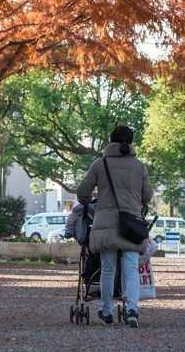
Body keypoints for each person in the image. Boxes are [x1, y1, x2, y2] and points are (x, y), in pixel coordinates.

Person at [76, 125, 153, 329]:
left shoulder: (99, 164)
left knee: (107, 269)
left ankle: (107, 312)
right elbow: (147, 196)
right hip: (131, 226)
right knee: (130, 270)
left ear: (111, 141)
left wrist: (89, 201)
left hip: (106, 224)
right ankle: (132, 310)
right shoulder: (139, 166)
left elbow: (82, 192)